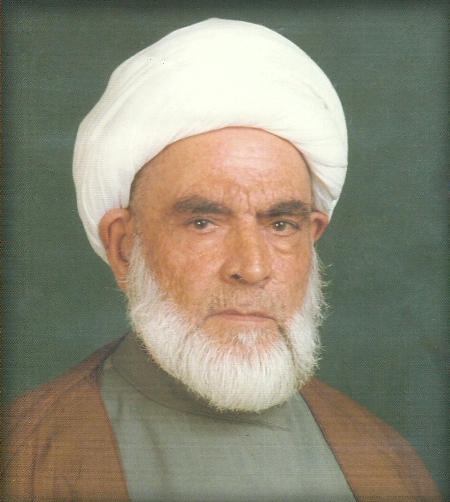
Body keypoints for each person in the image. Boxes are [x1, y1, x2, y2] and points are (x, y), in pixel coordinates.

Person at [3, 18, 442, 502]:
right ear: (124, 247)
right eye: (203, 223)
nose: (251, 268)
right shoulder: (24, 458)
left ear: (312, 239)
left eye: (281, 225)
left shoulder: (385, 461)